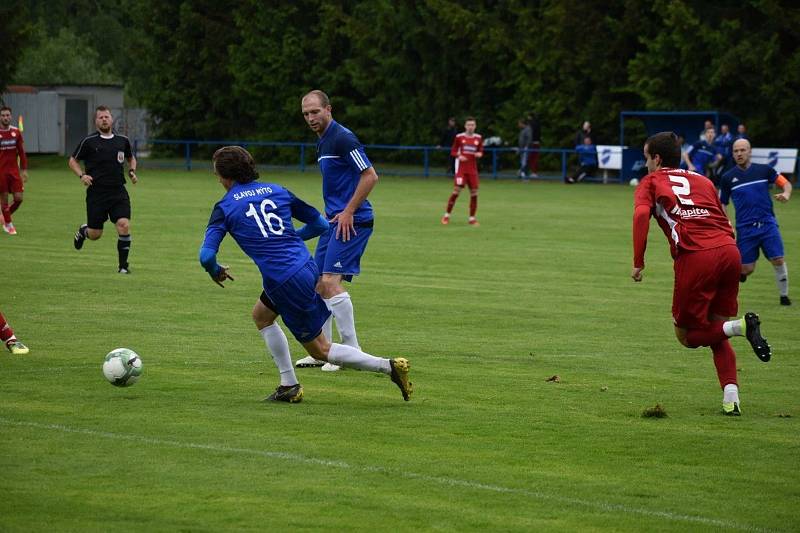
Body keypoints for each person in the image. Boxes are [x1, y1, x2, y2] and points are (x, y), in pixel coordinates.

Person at [199, 146, 411, 403]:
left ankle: (389, 366)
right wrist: (286, 239)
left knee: (321, 350)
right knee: (262, 316)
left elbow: (206, 256)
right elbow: (321, 225)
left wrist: (215, 271)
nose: (218, 180)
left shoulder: (224, 207)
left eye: (217, 175)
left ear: (225, 175)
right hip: (306, 266)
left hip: (284, 280)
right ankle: (288, 385)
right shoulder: (277, 190)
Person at [631, 131, 772, 416]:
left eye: (646, 157)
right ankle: (731, 398)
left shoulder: (650, 181)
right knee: (714, 331)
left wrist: (638, 261)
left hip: (697, 256)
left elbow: (640, 215)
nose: (645, 164)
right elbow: (724, 218)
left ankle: (741, 327)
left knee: (686, 336)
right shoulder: (703, 179)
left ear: (656, 159)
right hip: (729, 251)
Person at [298, 90, 378, 371]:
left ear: (328, 109)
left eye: (315, 112)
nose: (310, 118)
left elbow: (370, 175)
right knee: (317, 284)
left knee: (331, 282)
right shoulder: (322, 142)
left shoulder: (343, 138)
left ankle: (350, 351)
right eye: (306, 114)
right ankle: (325, 351)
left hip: (352, 222)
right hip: (333, 221)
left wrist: (348, 211)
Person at [720, 138, 793, 305]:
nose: (739, 153)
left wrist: (786, 194)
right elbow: (722, 203)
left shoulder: (765, 170)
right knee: (747, 269)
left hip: (768, 224)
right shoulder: (727, 178)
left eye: (742, 150)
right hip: (745, 229)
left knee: (778, 259)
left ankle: (784, 297)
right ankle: (736, 276)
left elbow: (786, 184)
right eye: (736, 151)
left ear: (750, 151)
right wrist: (727, 222)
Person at [69, 106, 138, 273]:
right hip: (96, 193)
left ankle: (123, 267)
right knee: (95, 234)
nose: (104, 119)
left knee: (124, 225)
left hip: (118, 192)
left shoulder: (122, 140)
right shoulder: (89, 141)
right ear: (96, 121)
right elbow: (72, 160)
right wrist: (82, 176)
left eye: (107, 116)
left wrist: (131, 171)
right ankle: (83, 231)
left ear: (112, 119)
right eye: (101, 117)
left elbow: (130, 157)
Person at [441, 117, 483, 226]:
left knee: (474, 193)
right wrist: (459, 156)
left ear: (475, 126)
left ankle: (472, 218)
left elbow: (480, 151)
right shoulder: (459, 137)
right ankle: (446, 216)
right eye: (468, 125)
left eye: (472, 125)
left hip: (472, 170)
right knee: (456, 191)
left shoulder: (478, 138)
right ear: (465, 126)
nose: (470, 127)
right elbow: (453, 151)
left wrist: (479, 154)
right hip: (461, 169)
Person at [0, 106, 28, 235]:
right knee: (4, 199)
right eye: (3, 115)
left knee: (19, 198)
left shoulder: (16, 132)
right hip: (1, 172)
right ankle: (8, 224)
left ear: (11, 116)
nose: (6, 118)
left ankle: (5, 216)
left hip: (14, 172)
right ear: (0, 117)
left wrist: (24, 170)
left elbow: (22, 153)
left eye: (7, 115)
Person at [527, 112, 541, 178]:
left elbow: (530, 134)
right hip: (537, 142)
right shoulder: (538, 123)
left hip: (532, 143)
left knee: (531, 157)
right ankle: (534, 172)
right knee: (535, 157)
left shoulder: (531, 124)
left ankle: (532, 172)